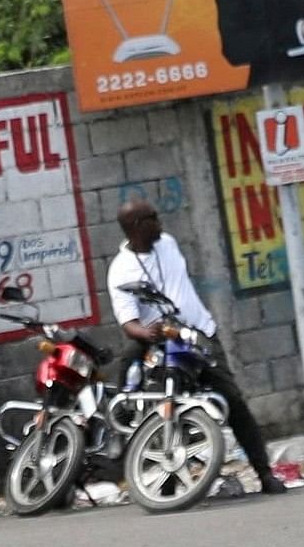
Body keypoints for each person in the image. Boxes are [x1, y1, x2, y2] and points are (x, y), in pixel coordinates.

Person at [105, 196, 289, 496]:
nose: (160, 223)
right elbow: (128, 322)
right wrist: (144, 332)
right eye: (153, 217)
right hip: (161, 340)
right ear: (137, 226)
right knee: (147, 391)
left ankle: (265, 473)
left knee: (232, 401)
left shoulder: (167, 244)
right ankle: (127, 435)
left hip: (198, 334)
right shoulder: (121, 270)